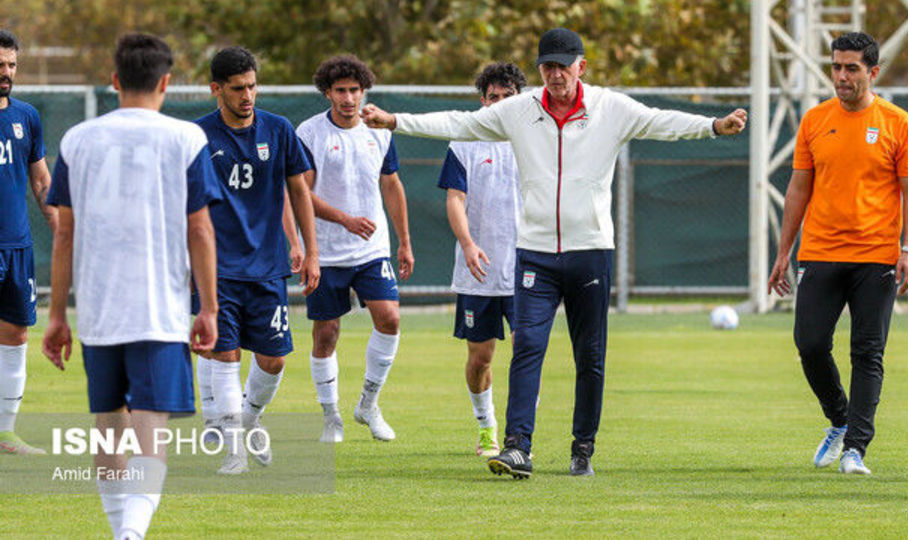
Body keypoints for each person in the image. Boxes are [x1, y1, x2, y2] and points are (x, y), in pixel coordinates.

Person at [363, 27, 746, 478]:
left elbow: (661, 121)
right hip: (537, 253)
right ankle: (517, 447)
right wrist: (396, 122)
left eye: (564, 65)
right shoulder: (519, 111)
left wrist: (713, 126)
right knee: (527, 346)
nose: (556, 73)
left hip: (590, 251)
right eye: (548, 66)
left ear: (581, 66)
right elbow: (458, 123)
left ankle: (582, 447)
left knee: (590, 355)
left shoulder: (609, 107)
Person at [42, 33, 221, 539]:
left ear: (115, 81)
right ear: (166, 82)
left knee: (108, 422)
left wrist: (57, 316)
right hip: (159, 309)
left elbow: (65, 234)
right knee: (149, 428)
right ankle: (131, 534)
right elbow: (201, 229)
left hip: (99, 312)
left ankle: (121, 529)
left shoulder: (77, 140)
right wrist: (208, 307)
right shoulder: (187, 139)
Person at [768, 32, 908, 475]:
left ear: (872, 72)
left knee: (867, 351)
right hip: (820, 252)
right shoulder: (815, 120)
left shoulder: (897, 123)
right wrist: (784, 251)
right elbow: (799, 187)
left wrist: (907, 250)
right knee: (810, 343)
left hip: (877, 255)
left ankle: (856, 448)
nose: (841, 76)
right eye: (836, 67)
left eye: (851, 68)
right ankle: (839, 420)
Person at [193, 46, 319, 475]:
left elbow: (299, 192)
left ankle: (248, 422)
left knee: (274, 360)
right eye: (237, 89)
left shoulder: (279, 129)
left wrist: (311, 251)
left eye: (252, 86)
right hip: (218, 269)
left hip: (267, 267)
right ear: (216, 90)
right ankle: (235, 453)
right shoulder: (197, 137)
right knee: (225, 357)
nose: (248, 96)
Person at [297, 55, 414, 443]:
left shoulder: (379, 129)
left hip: (371, 249)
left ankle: (368, 403)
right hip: (326, 252)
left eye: (355, 90)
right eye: (341, 90)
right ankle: (331, 416)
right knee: (326, 334)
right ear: (328, 92)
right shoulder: (311, 133)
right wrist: (345, 220)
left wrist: (404, 242)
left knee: (390, 318)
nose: (349, 98)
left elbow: (392, 186)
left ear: (364, 91)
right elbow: (301, 195)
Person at [437, 62, 526, 457]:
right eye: (494, 97)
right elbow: (455, 200)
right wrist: (469, 243)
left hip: (529, 268)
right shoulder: (464, 142)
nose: (501, 104)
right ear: (482, 101)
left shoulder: (537, 141)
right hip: (480, 271)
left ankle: (519, 435)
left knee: (529, 352)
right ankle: (487, 428)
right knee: (480, 358)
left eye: (509, 98)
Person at [0, 30, 57, 455]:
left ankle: (5, 433)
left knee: (16, 335)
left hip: (17, 247)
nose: (6, 73)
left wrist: (62, 228)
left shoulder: (27, 116)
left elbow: (40, 180)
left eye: (11, 65)